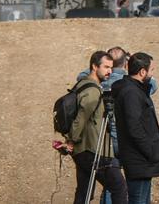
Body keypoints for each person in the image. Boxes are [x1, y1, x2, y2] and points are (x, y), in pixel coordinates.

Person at [68, 51, 129, 204]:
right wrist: (70, 140)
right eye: (106, 67)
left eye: (111, 67)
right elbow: (80, 119)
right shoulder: (93, 91)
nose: (110, 71)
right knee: (119, 188)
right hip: (93, 151)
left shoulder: (81, 84)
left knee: (84, 192)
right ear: (94, 67)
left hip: (83, 150)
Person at [113, 52, 159, 204]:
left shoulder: (136, 90)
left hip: (142, 160)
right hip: (138, 158)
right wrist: (150, 150)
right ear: (142, 72)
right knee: (138, 200)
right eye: (151, 70)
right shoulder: (131, 92)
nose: (152, 73)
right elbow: (134, 127)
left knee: (143, 200)